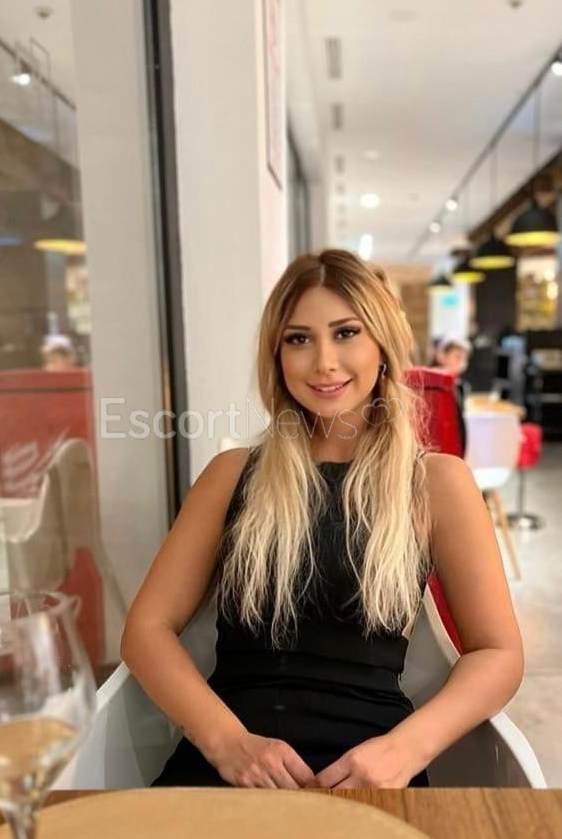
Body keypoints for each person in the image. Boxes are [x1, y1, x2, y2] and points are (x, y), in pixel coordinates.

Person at [121, 250, 523, 790]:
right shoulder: (231, 475)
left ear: (382, 345)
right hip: (229, 768)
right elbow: (146, 630)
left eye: (346, 333)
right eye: (299, 339)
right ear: (277, 356)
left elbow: (498, 652)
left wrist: (406, 750)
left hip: (371, 772)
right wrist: (227, 743)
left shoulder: (435, 483)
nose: (324, 362)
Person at [430, 334, 472, 457]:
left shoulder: (460, 386)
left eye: (464, 359)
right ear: (441, 356)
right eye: (457, 357)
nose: (462, 363)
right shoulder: (432, 385)